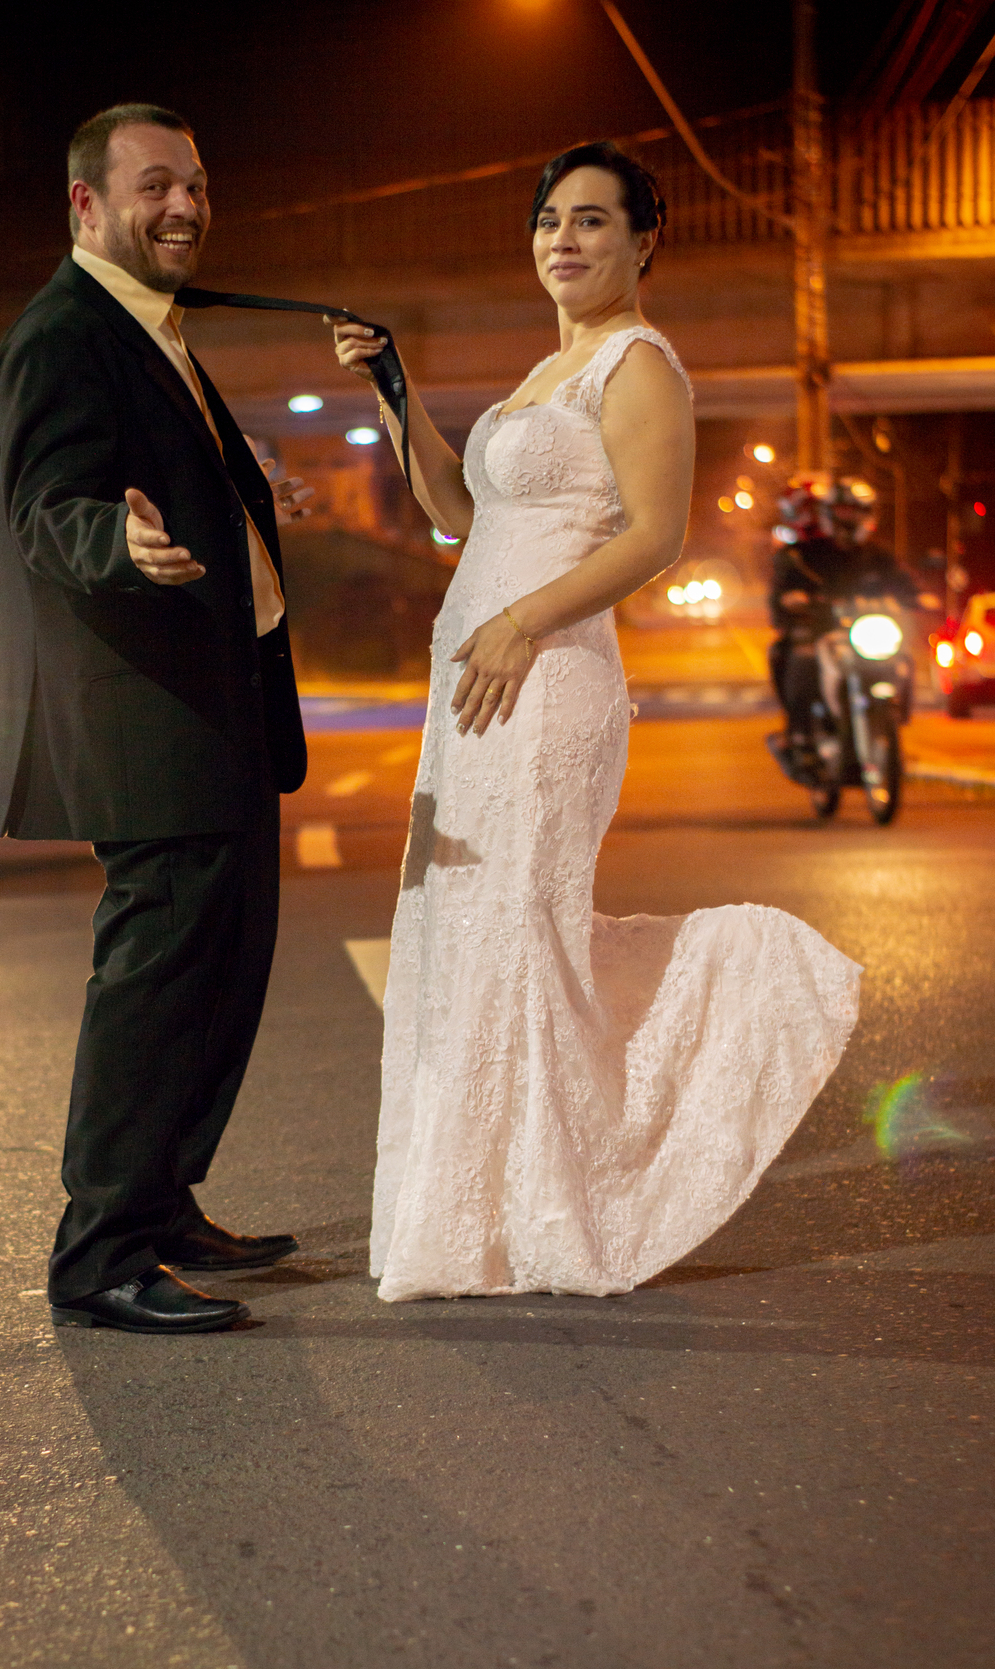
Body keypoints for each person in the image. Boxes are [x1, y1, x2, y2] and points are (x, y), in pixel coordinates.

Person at [330, 140, 862, 1303]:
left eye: (591, 222)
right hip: (472, 690)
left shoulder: (639, 366)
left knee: (522, 923)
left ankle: (568, 1195)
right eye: (548, 222)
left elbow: (654, 535)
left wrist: (523, 621)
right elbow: (457, 516)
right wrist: (398, 395)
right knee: (467, 932)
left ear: (642, 241)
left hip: (549, 681)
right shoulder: (541, 372)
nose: (563, 241)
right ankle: (482, 1213)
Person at [0, 104, 311, 1335]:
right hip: (151, 717)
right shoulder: (60, 333)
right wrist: (116, 544)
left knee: (221, 974)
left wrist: (242, 494)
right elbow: (47, 509)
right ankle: (100, 1254)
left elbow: (171, 478)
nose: (183, 205)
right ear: (87, 206)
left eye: (195, 182)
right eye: (153, 187)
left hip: (222, 704)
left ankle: (164, 1204)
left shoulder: (154, 329)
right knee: (156, 981)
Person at [769, 478, 917, 769]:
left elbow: (904, 583)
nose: (849, 518)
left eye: (857, 511)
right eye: (843, 510)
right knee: (802, 659)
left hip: (866, 631)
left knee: (905, 659)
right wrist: (792, 599)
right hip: (824, 632)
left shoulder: (878, 555)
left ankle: (894, 720)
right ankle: (801, 735)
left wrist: (920, 597)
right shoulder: (805, 554)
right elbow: (783, 588)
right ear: (827, 513)